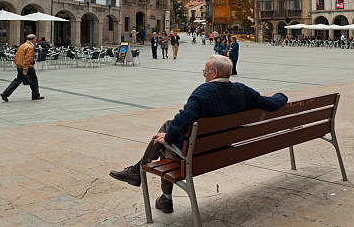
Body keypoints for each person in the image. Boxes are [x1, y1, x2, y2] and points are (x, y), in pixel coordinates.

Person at [109, 55, 288, 214]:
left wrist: (168, 138)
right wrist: (282, 95)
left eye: (205, 71)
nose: (203, 74)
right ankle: (151, 187)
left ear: (215, 72)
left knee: (163, 141)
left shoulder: (203, 93)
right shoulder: (243, 90)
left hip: (196, 155)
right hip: (222, 149)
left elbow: (182, 120)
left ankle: (143, 178)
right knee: (167, 129)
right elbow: (272, 103)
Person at [0, 34, 44, 102]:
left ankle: (5, 93)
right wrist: (25, 69)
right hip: (27, 67)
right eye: (35, 39)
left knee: (18, 80)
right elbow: (27, 59)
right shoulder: (30, 47)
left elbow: (16, 57)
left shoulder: (22, 45)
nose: (36, 41)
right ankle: (35, 95)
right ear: (33, 39)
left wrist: (18, 65)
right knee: (34, 81)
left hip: (20, 66)